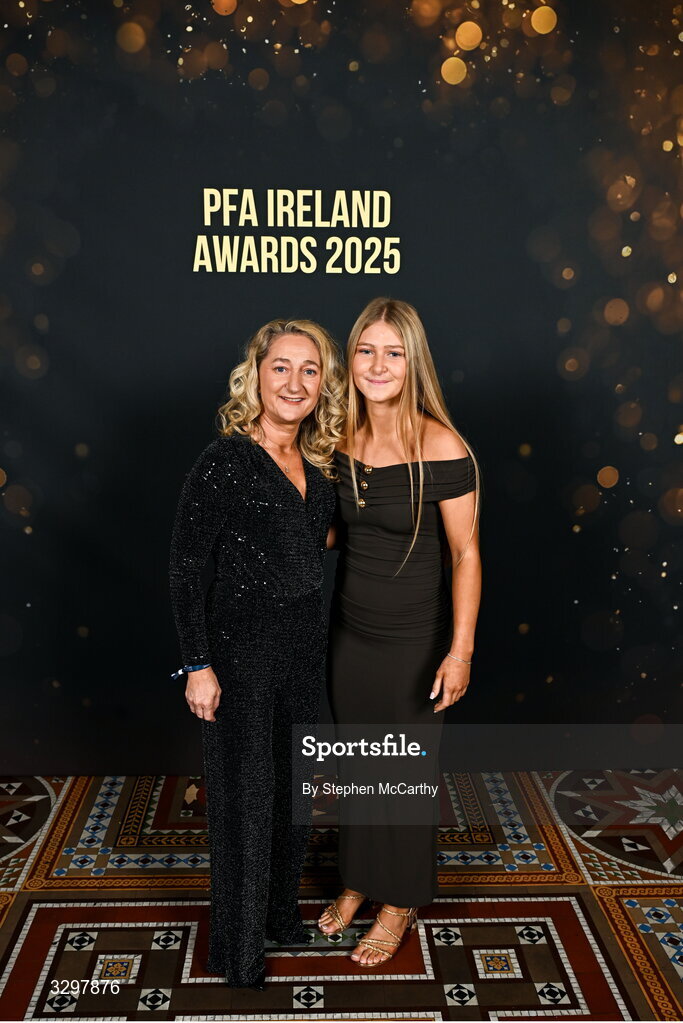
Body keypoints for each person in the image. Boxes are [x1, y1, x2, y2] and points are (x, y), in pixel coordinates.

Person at [169, 319, 345, 989]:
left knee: (293, 794)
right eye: (281, 367)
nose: (294, 382)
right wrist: (197, 663)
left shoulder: (320, 471)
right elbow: (187, 568)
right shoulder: (225, 459)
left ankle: (278, 913)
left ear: (321, 385)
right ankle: (238, 950)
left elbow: (314, 550)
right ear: (257, 374)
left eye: (308, 370)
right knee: (246, 801)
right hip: (238, 657)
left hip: (304, 655)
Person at [318, 297, 482, 966]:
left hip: (414, 643)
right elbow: (331, 532)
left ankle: (399, 901)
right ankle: (358, 880)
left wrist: (460, 648)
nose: (378, 364)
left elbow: (466, 553)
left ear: (412, 362)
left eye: (393, 352)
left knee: (404, 776)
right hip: (349, 635)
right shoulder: (338, 437)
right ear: (350, 359)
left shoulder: (442, 444)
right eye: (366, 350)